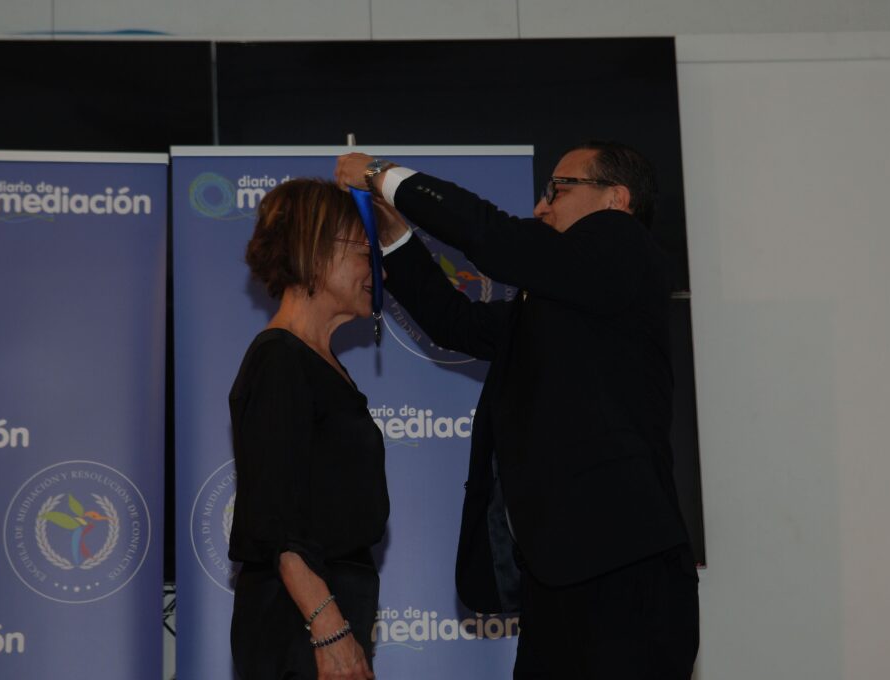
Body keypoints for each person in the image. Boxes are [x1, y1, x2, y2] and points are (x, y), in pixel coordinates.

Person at [336, 143, 699, 679]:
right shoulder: (566, 301)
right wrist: (393, 236)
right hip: (561, 573)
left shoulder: (624, 246)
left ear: (616, 198)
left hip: (622, 567)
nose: (541, 206)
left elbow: (495, 237)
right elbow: (454, 322)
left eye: (558, 188)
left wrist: (381, 175)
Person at [228, 178, 389, 680]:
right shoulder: (280, 359)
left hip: (326, 607)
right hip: (299, 620)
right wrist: (331, 630)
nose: (374, 269)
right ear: (315, 252)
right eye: (364, 251)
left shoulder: (317, 360)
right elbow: (279, 525)